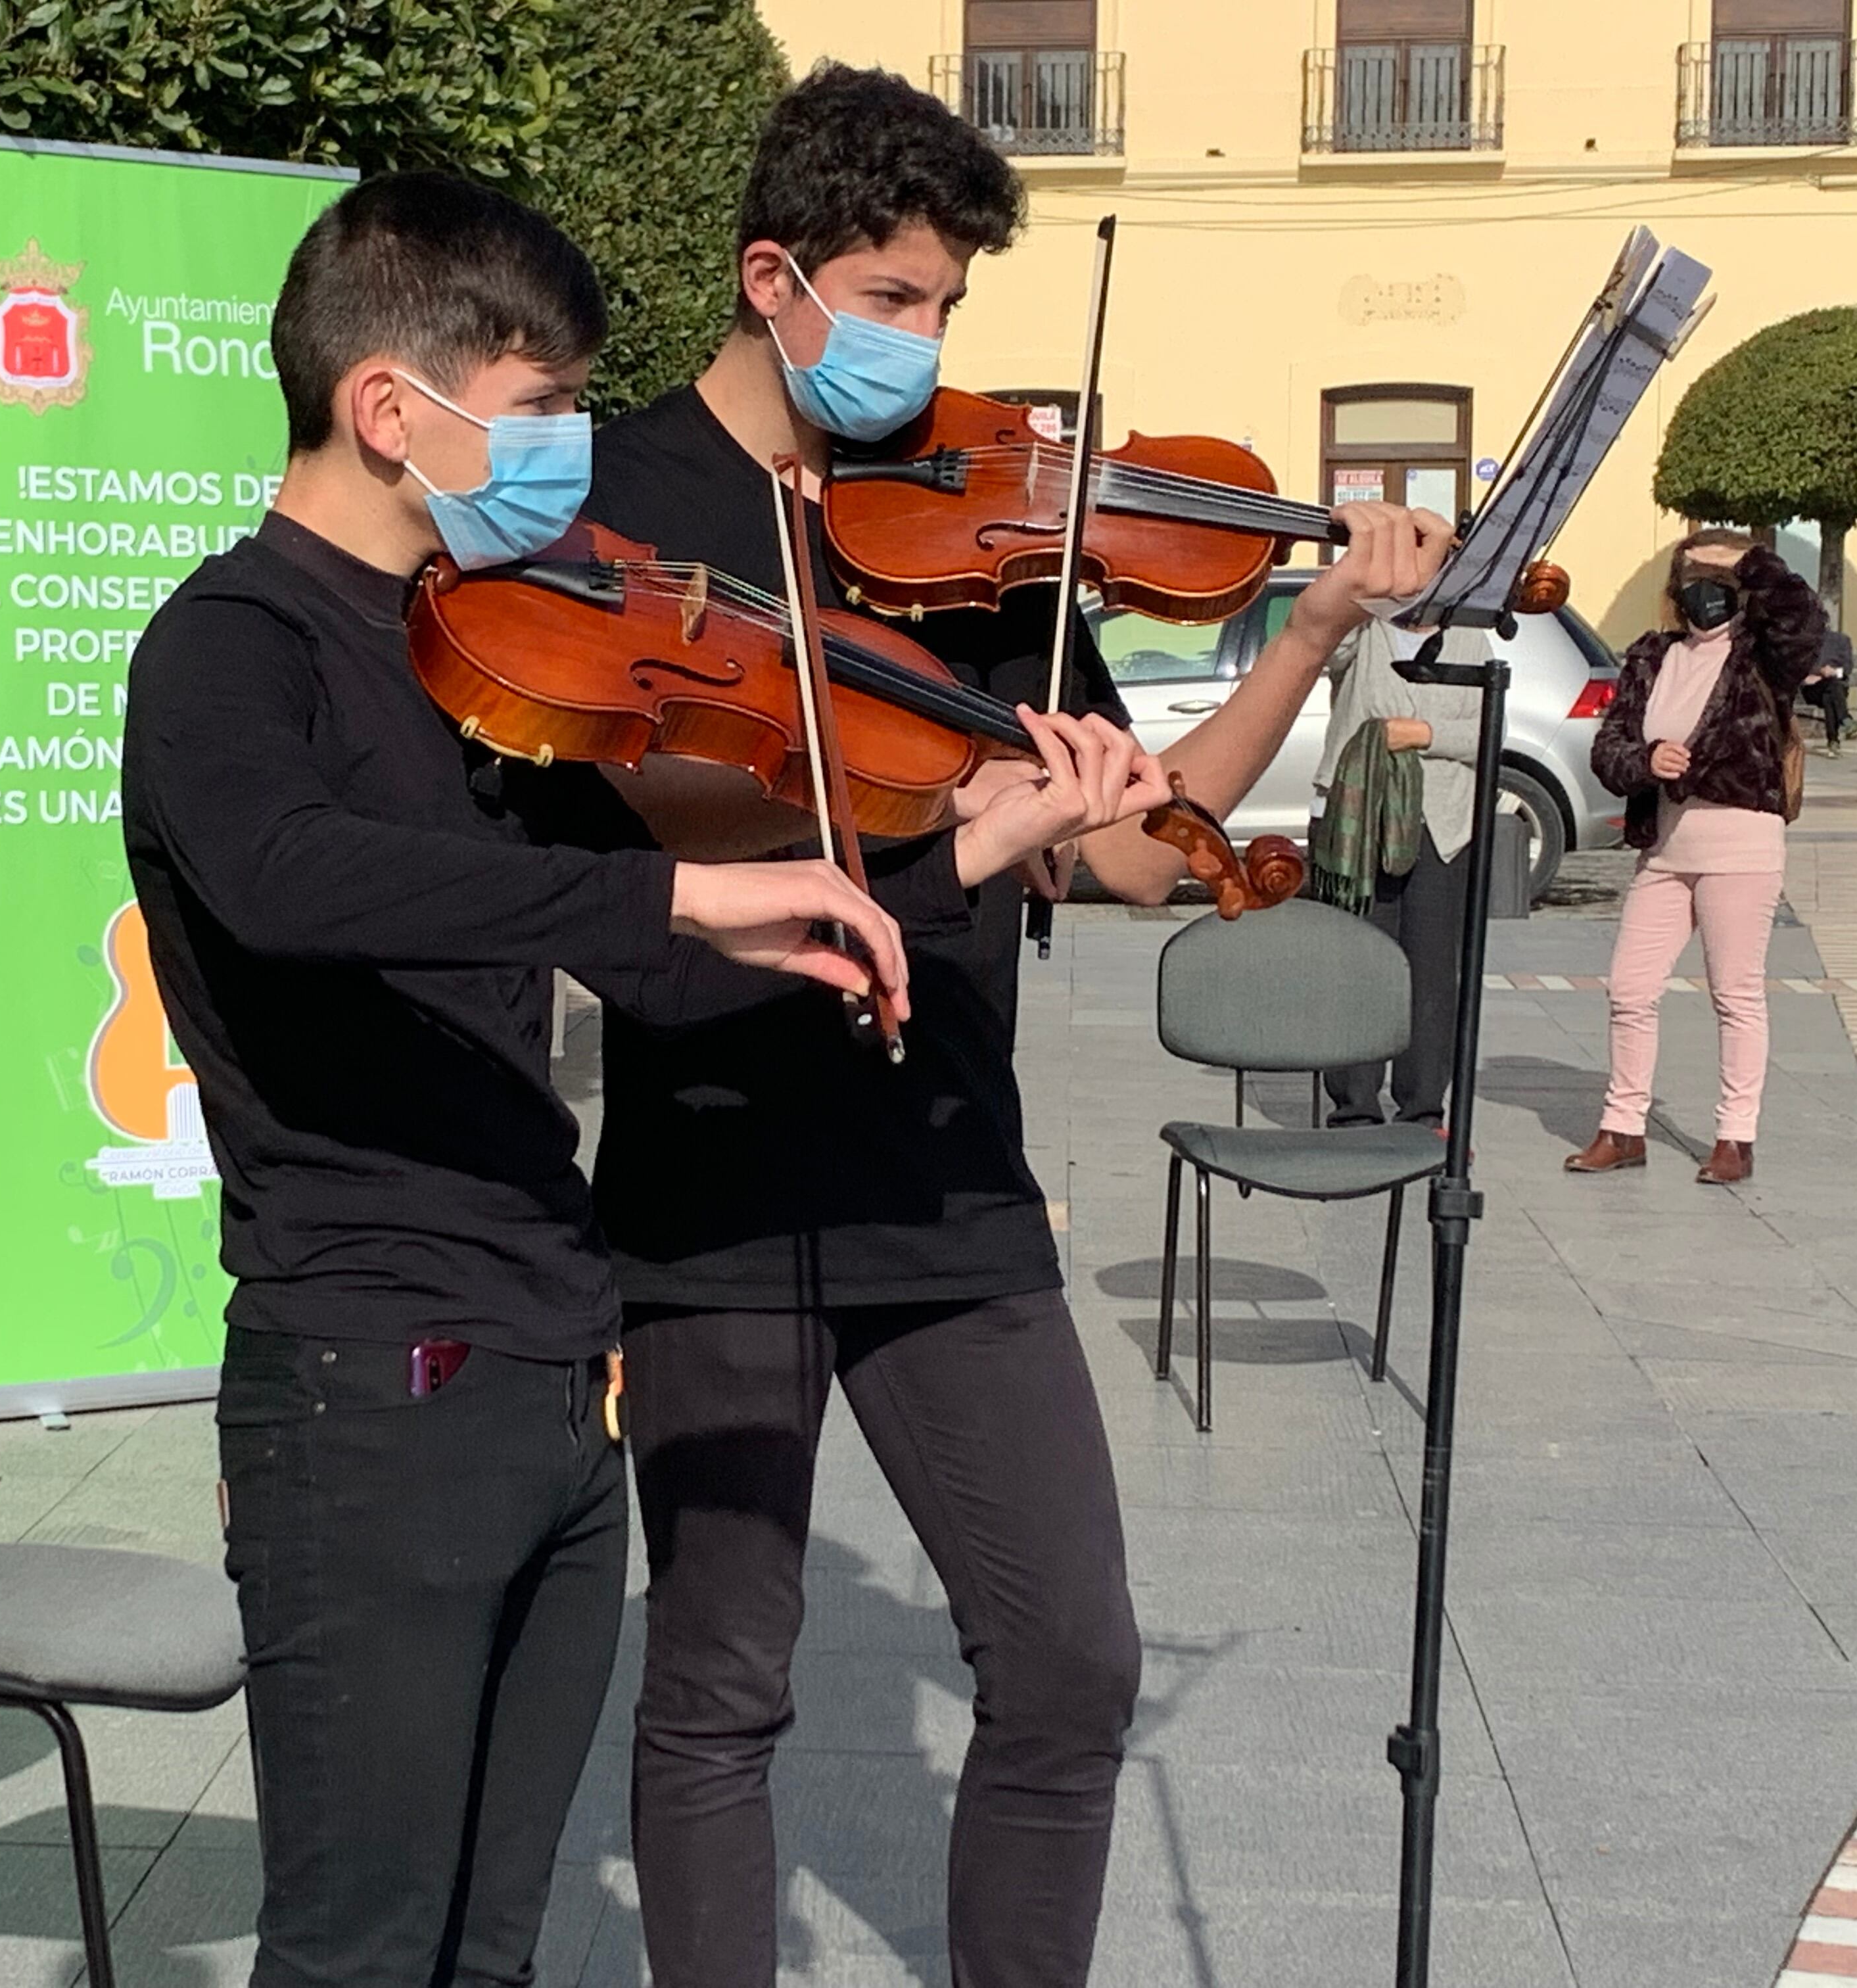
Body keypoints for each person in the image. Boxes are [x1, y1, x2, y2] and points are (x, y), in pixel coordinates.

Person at [117, 170, 1133, 1988]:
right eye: (540, 411)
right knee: (362, 1945)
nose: (574, 452)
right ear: (386, 407)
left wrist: (884, 885)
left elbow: (634, 940)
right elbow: (293, 882)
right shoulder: (234, 643)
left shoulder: (474, 660)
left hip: (542, 1359)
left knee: (493, 1942)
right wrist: (673, 882)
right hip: (369, 1377)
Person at [564, 64, 1455, 1988]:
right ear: (770, 274)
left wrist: (1301, 638)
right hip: (715, 1178)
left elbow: (1141, 855)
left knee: (1072, 1658)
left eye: (948, 308)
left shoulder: (954, 537)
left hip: (944, 1173)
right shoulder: (618, 506)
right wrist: (941, 835)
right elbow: (654, 845)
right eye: (895, 302)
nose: (928, 349)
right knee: (721, 1677)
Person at [1568, 530, 1820, 1185]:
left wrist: (1754, 562)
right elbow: (1610, 747)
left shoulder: (1761, 656)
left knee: (1735, 994)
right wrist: (1646, 761)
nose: (1705, 593)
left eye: (1721, 580)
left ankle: (1736, 1137)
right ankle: (1623, 1127)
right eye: (1693, 579)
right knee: (1630, 987)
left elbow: (1803, 619)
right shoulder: (1653, 656)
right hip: (1665, 848)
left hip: (1741, 844)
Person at [1313, 617, 1486, 1133]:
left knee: (1432, 972)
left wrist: (1424, 734)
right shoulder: (1361, 631)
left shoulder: (1471, 638)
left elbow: (1488, 731)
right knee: (1357, 966)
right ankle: (1354, 1108)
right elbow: (1325, 644)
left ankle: (1424, 1110)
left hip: (1444, 822)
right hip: (1358, 820)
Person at [1804, 623, 1854, 755]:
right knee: (1832, 688)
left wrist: (1833, 672)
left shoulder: (1842, 640)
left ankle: (1834, 741)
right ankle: (1844, 720)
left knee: (1830, 692)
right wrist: (1820, 671)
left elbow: (1847, 669)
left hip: (1833, 689)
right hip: (1813, 689)